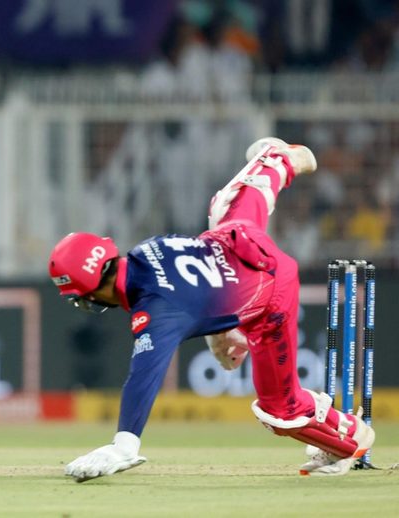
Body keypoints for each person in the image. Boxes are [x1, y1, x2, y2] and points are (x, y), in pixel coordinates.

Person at [48, 137, 375, 481]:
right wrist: (222, 330)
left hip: (271, 290)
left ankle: (350, 436)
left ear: (92, 285)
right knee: (224, 207)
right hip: (238, 239)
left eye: (80, 296)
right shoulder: (147, 249)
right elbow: (201, 284)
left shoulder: (156, 312)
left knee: (279, 410)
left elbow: (143, 378)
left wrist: (123, 445)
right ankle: (277, 160)